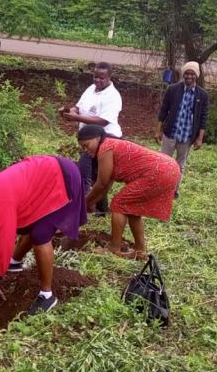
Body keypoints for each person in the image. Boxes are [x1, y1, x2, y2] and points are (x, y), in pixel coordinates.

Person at [0, 155, 86, 315]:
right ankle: (15, 262)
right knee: (30, 226)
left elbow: (4, 241)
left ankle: (47, 295)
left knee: (40, 234)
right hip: (43, 177)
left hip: (60, 177)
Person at [78, 125, 180, 258]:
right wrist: (91, 202)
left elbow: (101, 184)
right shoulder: (112, 145)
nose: (85, 150)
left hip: (159, 171)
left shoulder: (105, 148)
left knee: (119, 204)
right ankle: (140, 251)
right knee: (132, 209)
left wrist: (85, 203)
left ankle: (114, 248)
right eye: (83, 148)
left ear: (97, 138)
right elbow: (105, 187)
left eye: (87, 145)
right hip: (170, 168)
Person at [59, 62, 122, 215]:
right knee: (98, 174)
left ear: (109, 77)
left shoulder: (114, 96)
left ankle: (85, 204)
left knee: (84, 169)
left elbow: (103, 121)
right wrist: (69, 111)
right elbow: (78, 107)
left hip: (106, 138)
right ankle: (100, 209)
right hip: (89, 139)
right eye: (95, 77)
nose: (98, 81)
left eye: (102, 78)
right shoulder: (90, 89)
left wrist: (77, 117)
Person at [155, 61, 208, 195]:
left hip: (186, 137)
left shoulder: (202, 95)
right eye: (187, 73)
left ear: (196, 75)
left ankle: (173, 191)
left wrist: (199, 138)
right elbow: (164, 110)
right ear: (183, 74)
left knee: (180, 165)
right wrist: (158, 130)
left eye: (192, 74)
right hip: (170, 133)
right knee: (163, 163)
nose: (189, 77)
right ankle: (160, 189)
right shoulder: (173, 89)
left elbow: (203, 118)